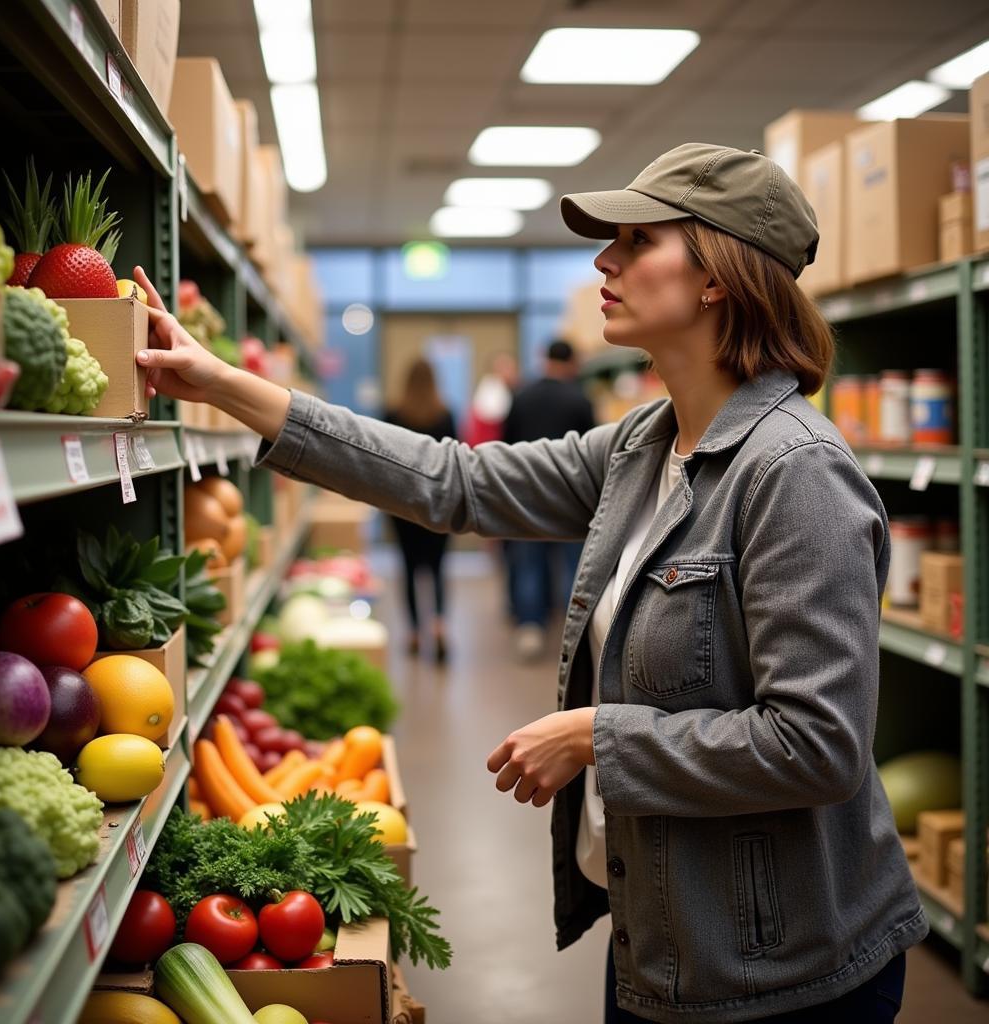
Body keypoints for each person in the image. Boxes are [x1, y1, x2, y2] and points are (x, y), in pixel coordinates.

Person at [130, 141, 925, 1024]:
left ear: (717, 277)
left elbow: (819, 742)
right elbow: (455, 481)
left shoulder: (795, 474)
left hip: (783, 974)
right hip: (664, 941)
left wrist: (600, 737)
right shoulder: (643, 444)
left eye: (636, 240)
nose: (604, 260)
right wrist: (224, 385)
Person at [503, 339, 596, 661]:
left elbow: (507, 447)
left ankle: (530, 628)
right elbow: (593, 451)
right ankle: (576, 634)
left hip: (528, 495)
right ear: (571, 364)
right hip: (571, 496)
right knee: (574, 566)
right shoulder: (579, 400)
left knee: (529, 563)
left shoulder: (521, 397)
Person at [384, 358, 456, 661]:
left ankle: (414, 632)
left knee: (409, 568)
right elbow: (455, 459)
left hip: (403, 505)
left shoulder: (393, 413)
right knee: (438, 568)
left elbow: (384, 458)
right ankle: (439, 626)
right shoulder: (445, 414)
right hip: (438, 503)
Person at [462, 350, 517, 448]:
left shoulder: (505, 390)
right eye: (505, 368)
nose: (511, 373)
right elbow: (493, 418)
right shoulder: (491, 390)